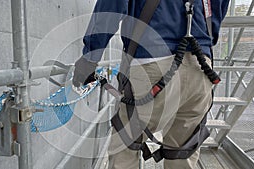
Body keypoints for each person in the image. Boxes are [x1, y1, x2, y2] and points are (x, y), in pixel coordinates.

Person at [73, 0, 229, 168]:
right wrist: (203, 40)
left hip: (152, 64)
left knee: (125, 146)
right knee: (183, 150)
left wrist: (90, 58)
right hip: (200, 69)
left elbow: (110, 8)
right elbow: (216, 11)